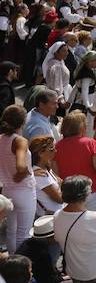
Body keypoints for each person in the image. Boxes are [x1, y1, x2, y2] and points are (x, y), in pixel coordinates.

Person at [55, 112, 96, 214]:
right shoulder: (90, 143)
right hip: (92, 191)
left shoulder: (56, 147)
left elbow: (56, 174)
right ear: (82, 127)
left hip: (70, 194)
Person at [0, 106, 37, 254]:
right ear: (23, 122)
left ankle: (12, 265)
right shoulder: (20, 141)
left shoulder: (0, 139)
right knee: (23, 234)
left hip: (7, 190)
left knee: (11, 231)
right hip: (24, 192)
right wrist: (25, 172)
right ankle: (20, 270)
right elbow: (21, 166)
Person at [28, 136, 63, 218]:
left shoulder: (46, 167)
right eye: (51, 149)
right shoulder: (40, 175)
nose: (55, 151)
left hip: (56, 214)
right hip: (49, 218)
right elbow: (60, 199)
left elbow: (61, 181)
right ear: (40, 153)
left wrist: (60, 187)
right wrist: (61, 187)